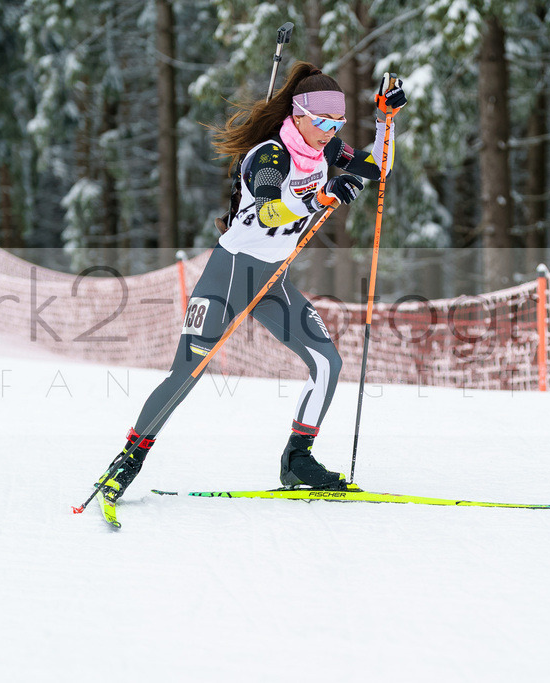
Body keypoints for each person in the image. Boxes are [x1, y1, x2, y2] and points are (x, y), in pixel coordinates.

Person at [94, 62, 408, 504]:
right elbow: (266, 212)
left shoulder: (327, 150)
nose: (328, 131)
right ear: (298, 114)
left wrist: (384, 121)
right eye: (321, 121)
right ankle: (126, 463)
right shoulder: (270, 154)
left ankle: (297, 461)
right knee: (188, 373)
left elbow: (378, 168)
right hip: (230, 274)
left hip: (272, 280)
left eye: (336, 123)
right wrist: (322, 197)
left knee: (327, 363)